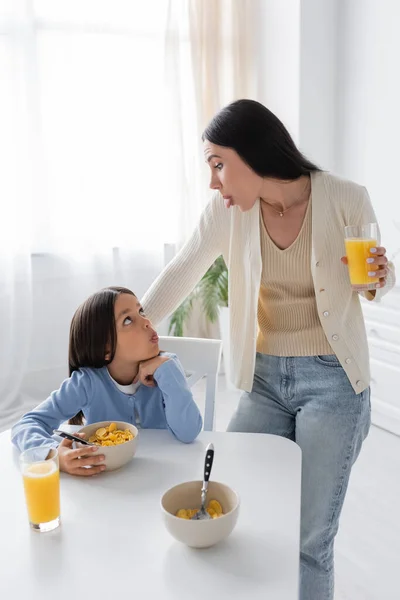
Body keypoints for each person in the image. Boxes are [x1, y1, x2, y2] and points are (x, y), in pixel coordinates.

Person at [141, 99, 396, 599]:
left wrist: (379, 279)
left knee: (310, 540)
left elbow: (374, 285)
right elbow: (182, 272)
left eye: (219, 163)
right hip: (263, 380)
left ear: (253, 154)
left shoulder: (347, 198)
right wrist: (126, 329)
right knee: (236, 504)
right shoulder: (227, 212)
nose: (214, 181)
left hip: (334, 381)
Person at [12, 286, 202, 476]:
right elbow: (26, 425)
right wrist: (54, 455)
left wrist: (168, 369)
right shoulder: (86, 383)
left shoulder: (167, 368)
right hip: (105, 479)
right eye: (128, 320)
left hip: (164, 473)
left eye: (141, 312)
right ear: (106, 349)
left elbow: (188, 432)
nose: (145, 321)